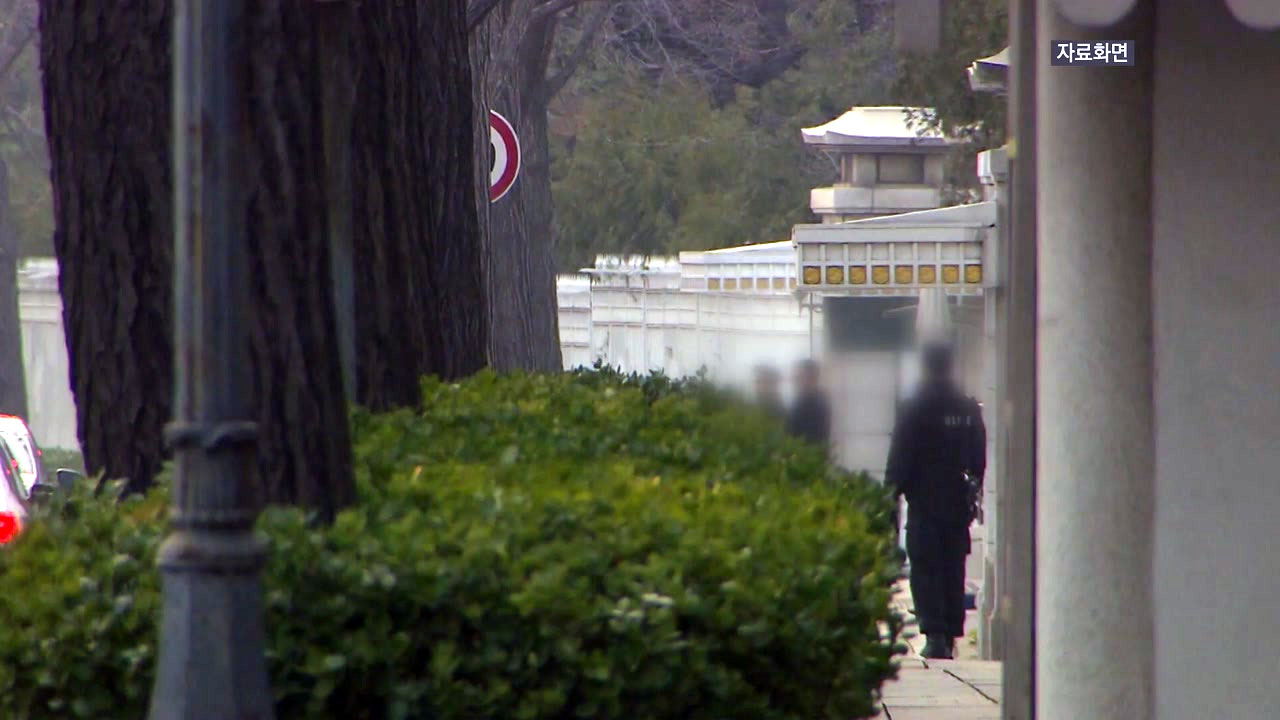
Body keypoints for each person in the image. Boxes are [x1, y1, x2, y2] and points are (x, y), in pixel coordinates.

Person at [885, 342, 986, 660]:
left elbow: (900, 457)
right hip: (957, 502)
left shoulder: (914, 407)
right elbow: (979, 457)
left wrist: (891, 495)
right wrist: (973, 487)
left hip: (924, 501)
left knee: (926, 566)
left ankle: (935, 634)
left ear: (925, 366)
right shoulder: (967, 408)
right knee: (953, 567)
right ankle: (951, 631)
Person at [785, 359, 831, 450]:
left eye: (801, 376)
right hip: (798, 451)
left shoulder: (818, 401)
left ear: (813, 378)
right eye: (797, 377)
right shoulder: (798, 399)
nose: (797, 380)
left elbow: (816, 435)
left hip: (809, 453)